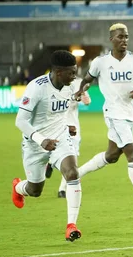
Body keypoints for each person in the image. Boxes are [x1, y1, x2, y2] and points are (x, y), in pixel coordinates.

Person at [74, 23, 133, 216]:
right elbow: (87, 79)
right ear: (111, 39)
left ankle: (76, 174)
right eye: (120, 37)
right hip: (113, 114)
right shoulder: (100, 62)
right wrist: (81, 89)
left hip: (129, 113)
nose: (123, 40)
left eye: (126, 37)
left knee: (112, 156)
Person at [11, 50, 84, 242]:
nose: (74, 76)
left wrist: (67, 126)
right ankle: (18, 187)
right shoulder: (36, 88)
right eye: (71, 72)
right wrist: (41, 140)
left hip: (59, 138)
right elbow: (21, 121)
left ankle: (71, 225)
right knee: (35, 190)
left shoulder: (69, 86)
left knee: (72, 173)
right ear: (58, 72)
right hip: (35, 144)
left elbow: (56, 114)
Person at [45, 77, 91, 198]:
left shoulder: (79, 83)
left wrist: (83, 92)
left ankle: (62, 189)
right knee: (57, 152)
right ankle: (50, 162)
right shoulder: (55, 83)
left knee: (72, 159)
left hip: (74, 128)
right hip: (58, 126)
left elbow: (87, 101)